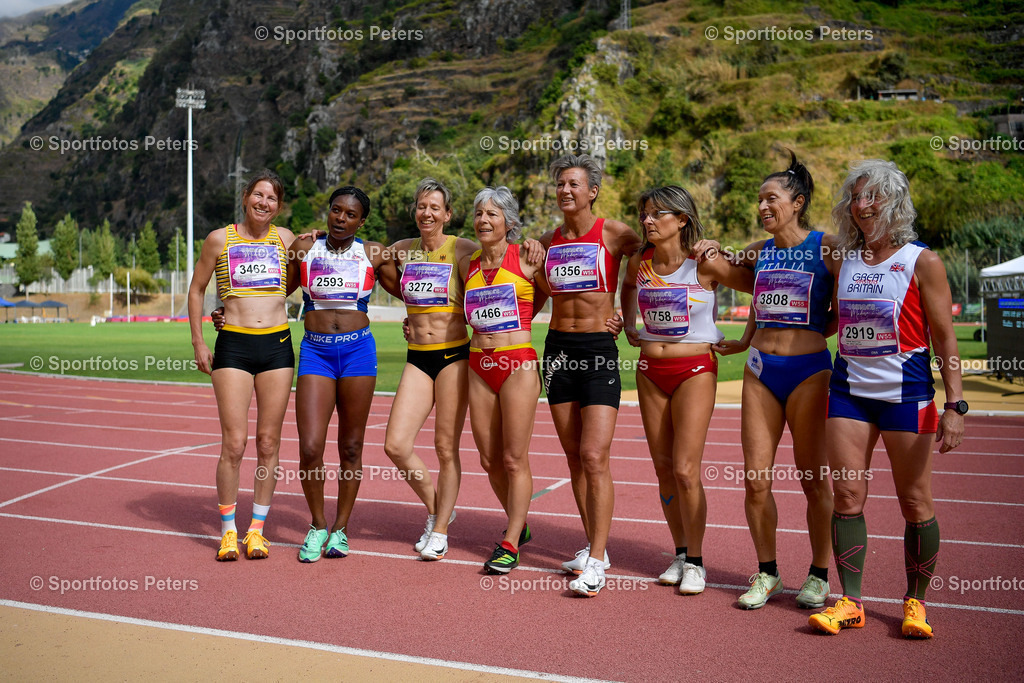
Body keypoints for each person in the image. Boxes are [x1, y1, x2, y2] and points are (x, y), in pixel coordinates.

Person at [808, 160, 965, 638]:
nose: (862, 205)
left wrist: (956, 404)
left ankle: (915, 602)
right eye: (855, 197)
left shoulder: (923, 261)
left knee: (914, 501)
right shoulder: (842, 258)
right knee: (849, 495)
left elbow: (945, 338)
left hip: (907, 396)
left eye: (872, 196)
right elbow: (786, 251)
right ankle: (850, 600)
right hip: (849, 393)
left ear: (894, 202)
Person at [716, 153, 839, 609]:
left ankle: (819, 575)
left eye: (772, 198)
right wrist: (746, 338)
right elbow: (755, 296)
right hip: (761, 372)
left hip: (809, 373)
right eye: (759, 200)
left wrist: (810, 334)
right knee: (755, 480)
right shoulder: (759, 251)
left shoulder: (828, 247)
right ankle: (767, 573)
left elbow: (842, 311)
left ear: (797, 202)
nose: (763, 206)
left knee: (812, 480)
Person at [620, 186, 753, 595]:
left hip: (695, 368)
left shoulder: (705, 261)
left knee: (684, 469)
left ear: (681, 219)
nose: (647, 221)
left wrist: (746, 339)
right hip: (649, 370)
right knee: (662, 468)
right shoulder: (640, 261)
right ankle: (680, 553)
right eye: (644, 214)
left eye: (657, 214)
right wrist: (628, 325)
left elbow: (763, 289)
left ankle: (696, 561)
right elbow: (627, 290)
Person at [537, 153, 643, 597]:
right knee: (573, 456)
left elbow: (654, 260)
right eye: (560, 184)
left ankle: (597, 561)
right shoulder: (547, 240)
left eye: (574, 184)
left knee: (595, 455)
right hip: (559, 349)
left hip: (599, 351)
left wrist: (628, 316)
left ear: (592, 191)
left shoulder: (616, 234)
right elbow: (535, 290)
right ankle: (592, 546)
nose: (565, 190)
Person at [188, 169, 296, 561]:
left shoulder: (286, 240)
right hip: (232, 344)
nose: (264, 203)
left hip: (278, 346)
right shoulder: (219, 238)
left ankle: (257, 530)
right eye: (258, 195)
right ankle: (229, 531)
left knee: (269, 443)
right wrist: (199, 340)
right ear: (246, 196)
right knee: (234, 443)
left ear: (278, 207)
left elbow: (305, 277)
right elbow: (197, 288)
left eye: (272, 199)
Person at [290, 187, 400, 562]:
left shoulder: (373, 253)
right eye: (335, 210)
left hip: (357, 351)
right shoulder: (305, 249)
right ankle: (317, 525)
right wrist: (226, 309)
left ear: (362, 221)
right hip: (315, 351)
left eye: (350, 214)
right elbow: (271, 289)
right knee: (310, 448)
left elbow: (415, 290)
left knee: (351, 447)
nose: (340, 218)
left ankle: (340, 530)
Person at [383, 178, 476, 560]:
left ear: (448, 214)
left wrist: (534, 247)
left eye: (435, 207)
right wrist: (318, 236)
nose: (427, 213)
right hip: (418, 355)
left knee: (444, 448)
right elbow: (360, 254)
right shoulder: (403, 251)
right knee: (396, 444)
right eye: (422, 206)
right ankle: (441, 508)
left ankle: (438, 531)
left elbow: (503, 257)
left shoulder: (463, 248)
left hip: (454, 355)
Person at [459, 187, 543, 574]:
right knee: (489, 458)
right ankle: (518, 521)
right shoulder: (469, 265)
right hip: (478, 363)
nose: (484, 220)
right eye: (479, 213)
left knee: (513, 457)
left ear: (509, 222)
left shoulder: (526, 258)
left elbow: (570, 295)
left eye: (493, 214)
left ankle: (510, 542)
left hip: (518, 364)